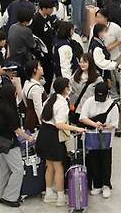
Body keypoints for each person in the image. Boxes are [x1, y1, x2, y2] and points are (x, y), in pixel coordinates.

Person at [36, 78, 85, 207]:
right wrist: (76, 128)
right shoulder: (62, 103)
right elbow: (59, 124)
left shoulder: (50, 99)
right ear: (65, 88)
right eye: (69, 86)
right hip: (53, 137)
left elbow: (42, 116)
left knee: (49, 166)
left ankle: (48, 194)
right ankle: (60, 196)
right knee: (58, 167)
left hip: (44, 134)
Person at [0, 82, 35, 207]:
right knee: (18, 170)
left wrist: (16, 82)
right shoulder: (10, 110)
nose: (17, 93)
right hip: (10, 143)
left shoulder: (0, 106)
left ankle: (3, 193)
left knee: (4, 170)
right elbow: (16, 129)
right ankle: (9, 197)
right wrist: (28, 137)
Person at [78, 82, 119, 199]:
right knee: (93, 160)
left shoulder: (113, 106)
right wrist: (95, 124)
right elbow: (82, 117)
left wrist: (106, 126)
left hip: (106, 137)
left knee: (105, 161)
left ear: (107, 95)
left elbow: (115, 124)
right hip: (91, 136)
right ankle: (97, 185)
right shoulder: (90, 101)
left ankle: (106, 185)